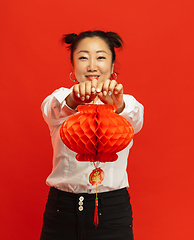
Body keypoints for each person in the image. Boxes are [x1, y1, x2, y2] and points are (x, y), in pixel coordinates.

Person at [40, 30, 144, 240]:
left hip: (112, 210)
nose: (92, 65)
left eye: (101, 57)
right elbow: (52, 110)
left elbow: (136, 119)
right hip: (62, 209)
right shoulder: (60, 99)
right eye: (83, 57)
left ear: (113, 66)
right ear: (73, 66)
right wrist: (74, 99)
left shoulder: (128, 103)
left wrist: (117, 104)